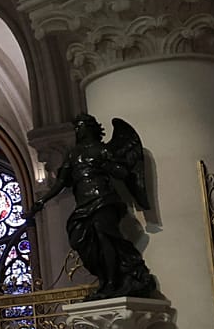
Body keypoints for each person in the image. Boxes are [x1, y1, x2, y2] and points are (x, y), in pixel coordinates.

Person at [27, 114, 158, 300]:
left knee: (105, 236)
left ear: (91, 127)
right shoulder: (73, 154)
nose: (78, 130)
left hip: (104, 199)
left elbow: (122, 172)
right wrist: (41, 201)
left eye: (81, 126)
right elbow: (61, 182)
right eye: (77, 127)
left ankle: (111, 283)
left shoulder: (103, 149)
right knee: (80, 239)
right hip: (84, 204)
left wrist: (105, 164)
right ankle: (105, 278)